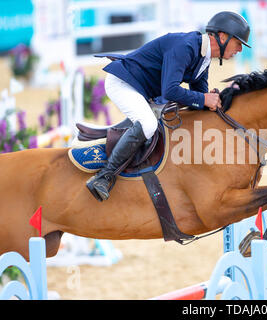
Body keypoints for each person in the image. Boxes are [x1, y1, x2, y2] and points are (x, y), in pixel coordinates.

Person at [86, 11, 251, 202]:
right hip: (123, 83)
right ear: (222, 37)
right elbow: (170, 91)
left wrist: (214, 100)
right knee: (148, 124)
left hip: (143, 90)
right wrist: (204, 99)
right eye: (238, 43)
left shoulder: (203, 59)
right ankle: (103, 177)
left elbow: (199, 96)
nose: (239, 49)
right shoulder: (185, 46)